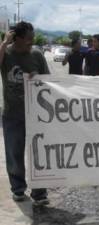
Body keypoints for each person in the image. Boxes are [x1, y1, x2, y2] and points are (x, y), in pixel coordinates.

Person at [0, 21, 50, 205]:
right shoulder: (6, 53)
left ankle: (40, 193)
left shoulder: (37, 54)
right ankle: (18, 189)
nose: (32, 41)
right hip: (12, 115)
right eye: (29, 38)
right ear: (17, 38)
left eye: (33, 37)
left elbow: (49, 81)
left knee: (39, 153)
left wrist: (38, 80)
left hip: (37, 115)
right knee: (14, 154)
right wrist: (4, 44)